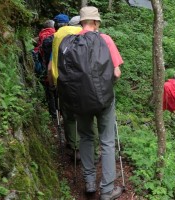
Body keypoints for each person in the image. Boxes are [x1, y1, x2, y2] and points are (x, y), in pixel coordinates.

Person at [74, 6, 124, 199]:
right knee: (107, 141)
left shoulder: (72, 41)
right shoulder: (105, 39)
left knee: (86, 137)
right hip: (104, 99)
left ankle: (89, 182)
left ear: (81, 22)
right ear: (96, 22)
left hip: (80, 99)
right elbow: (117, 72)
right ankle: (107, 190)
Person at [49, 14, 83, 160]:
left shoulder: (58, 37)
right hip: (83, 82)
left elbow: (50, 67)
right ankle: (90, 148)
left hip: (62, 82)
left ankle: (75, 148)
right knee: (84, 114)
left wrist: (51, 85)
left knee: (69, 117)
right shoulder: (85, 36)